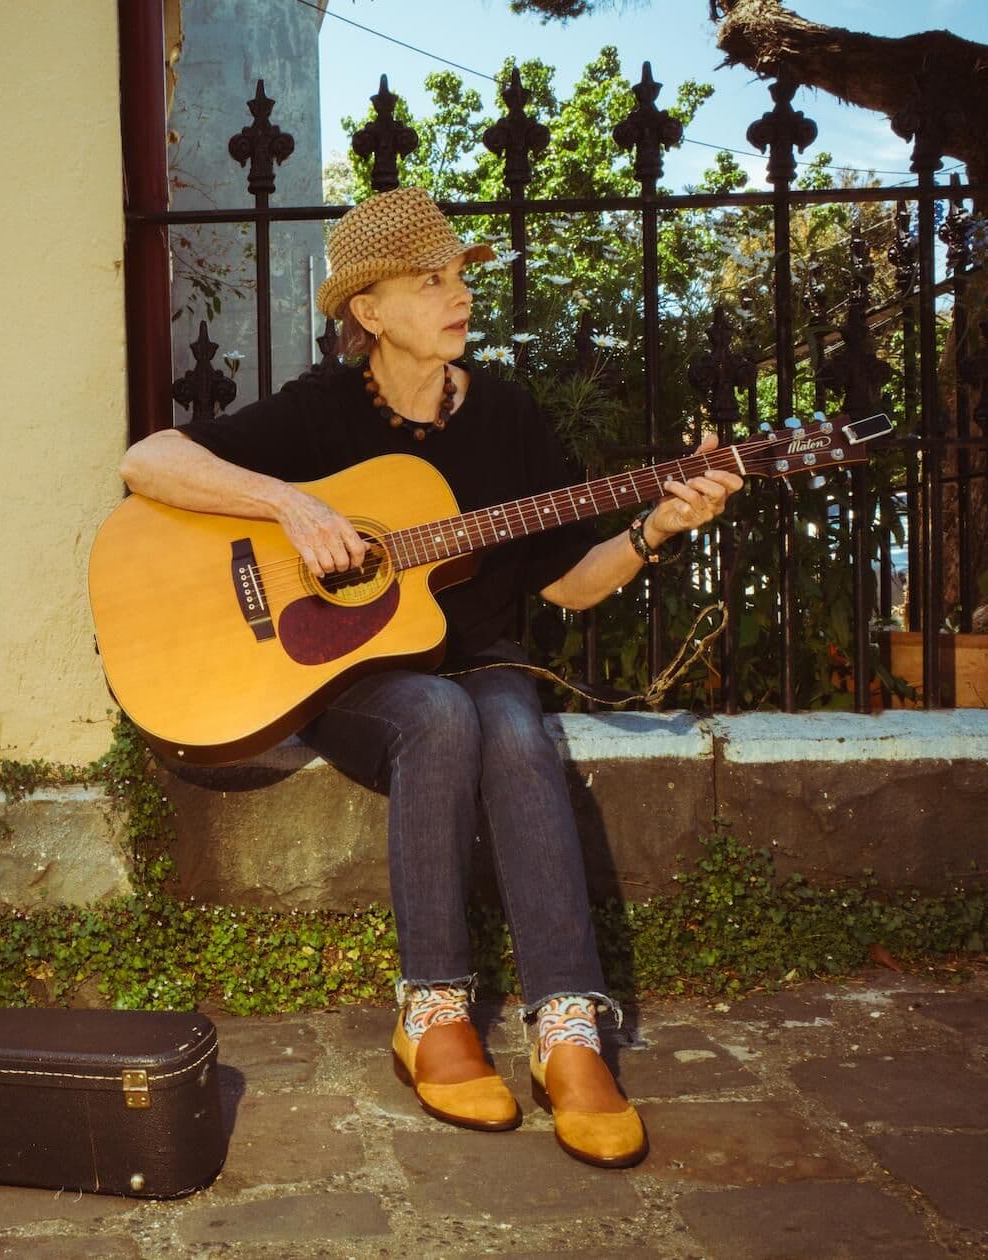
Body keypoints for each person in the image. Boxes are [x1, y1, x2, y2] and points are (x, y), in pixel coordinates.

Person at [117, 186, 742, 1169]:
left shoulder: (508, 420)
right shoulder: (319, 414)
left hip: (478, 663)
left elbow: (573, 587)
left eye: (457, 276)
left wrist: (654, 527)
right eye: (430, 281)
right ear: (368, 313)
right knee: (442, 715)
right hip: (350, 688)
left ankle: (569, 1027)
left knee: (512, 722)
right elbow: (149, 459)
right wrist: (287, 507)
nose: (459, 296)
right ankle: (432, 1008)